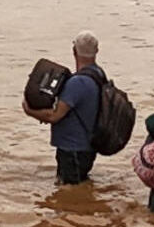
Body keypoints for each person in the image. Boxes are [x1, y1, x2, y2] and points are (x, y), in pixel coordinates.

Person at [22, 31, 104, 184]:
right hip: (87, 146)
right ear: (96, 51)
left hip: (73, 148)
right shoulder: (98, 74)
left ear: (74, 51)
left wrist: (29, 111)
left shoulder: (77, 82)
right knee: (78, 189)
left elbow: (54, 116)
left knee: (69, 189)